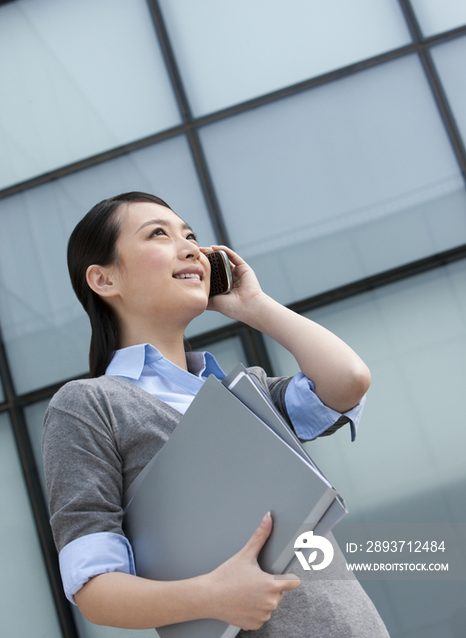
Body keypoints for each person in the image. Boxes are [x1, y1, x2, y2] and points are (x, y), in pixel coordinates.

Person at [43, 191, 389, 636]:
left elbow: (348, 380)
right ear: (104, 280)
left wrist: (254, 307)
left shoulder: (245, 392)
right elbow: (94, 586)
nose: (190, 248)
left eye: (191, 235)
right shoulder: (88, 406)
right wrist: (212, 596)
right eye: (159, 235)